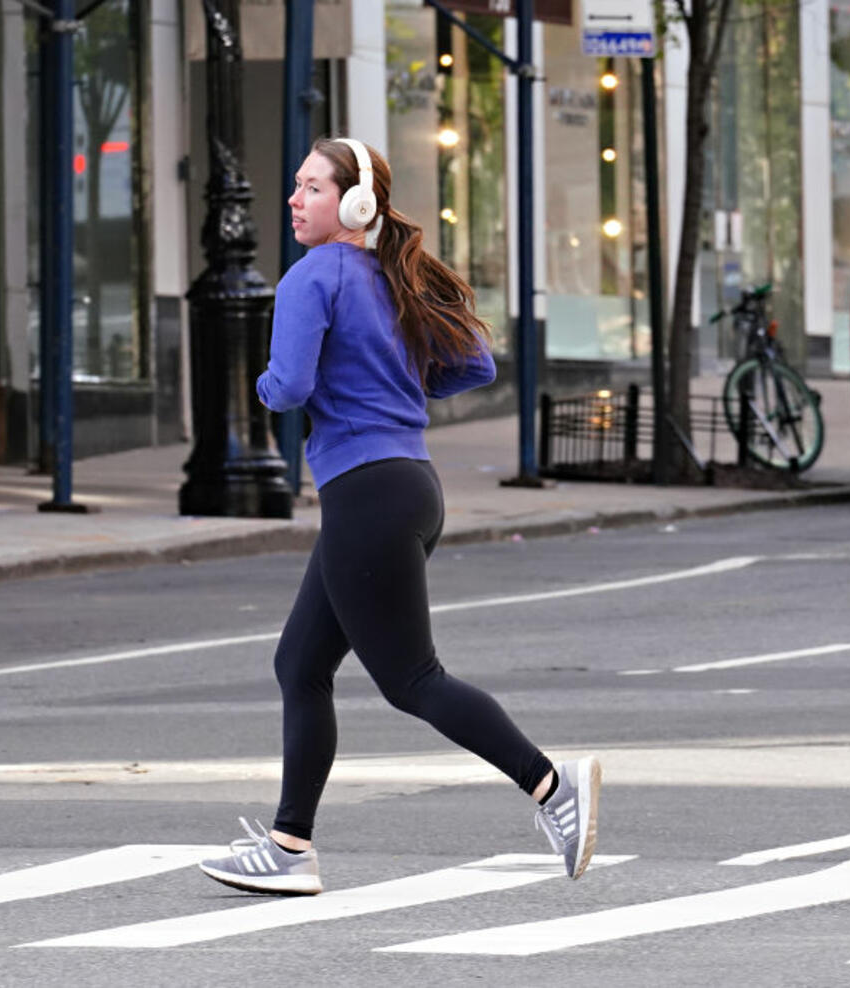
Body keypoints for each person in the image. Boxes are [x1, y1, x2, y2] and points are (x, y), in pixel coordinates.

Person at [197, 138, 601, 896]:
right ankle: (290, 847)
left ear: (352, 205)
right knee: (300, 664)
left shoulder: (309, 278)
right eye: (296, 186)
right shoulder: (392, 276)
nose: (294, 200)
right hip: (410, 484)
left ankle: (551, 785)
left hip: (366, 495)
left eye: (311, 188)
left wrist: (261, 383)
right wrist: (397, 387)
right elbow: (476, 364)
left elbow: (286, 388)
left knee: (413, 679)